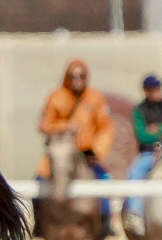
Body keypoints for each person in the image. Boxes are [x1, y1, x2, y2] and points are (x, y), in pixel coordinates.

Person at [36, 59, 116, 230]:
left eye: (81, 75)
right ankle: (38, 224)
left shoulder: (95, 98)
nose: (77, 79)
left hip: (86, 152)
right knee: (38, 182)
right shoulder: (56, 97)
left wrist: (96, 152)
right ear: (67, 76)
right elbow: (44, 125)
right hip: (60, 151)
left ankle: (105, 223)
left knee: (104, 181)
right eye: (73, 76)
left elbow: (106, 128)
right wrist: (65, 127)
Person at [125, 74, 162, 234]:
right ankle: (135, 213)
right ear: (146, 91)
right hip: (150, 152)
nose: (159, 91)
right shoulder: (139, 111)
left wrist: (159, 128)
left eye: (159, 88)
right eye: (154, 89)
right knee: (135, 172)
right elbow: (142, 135)